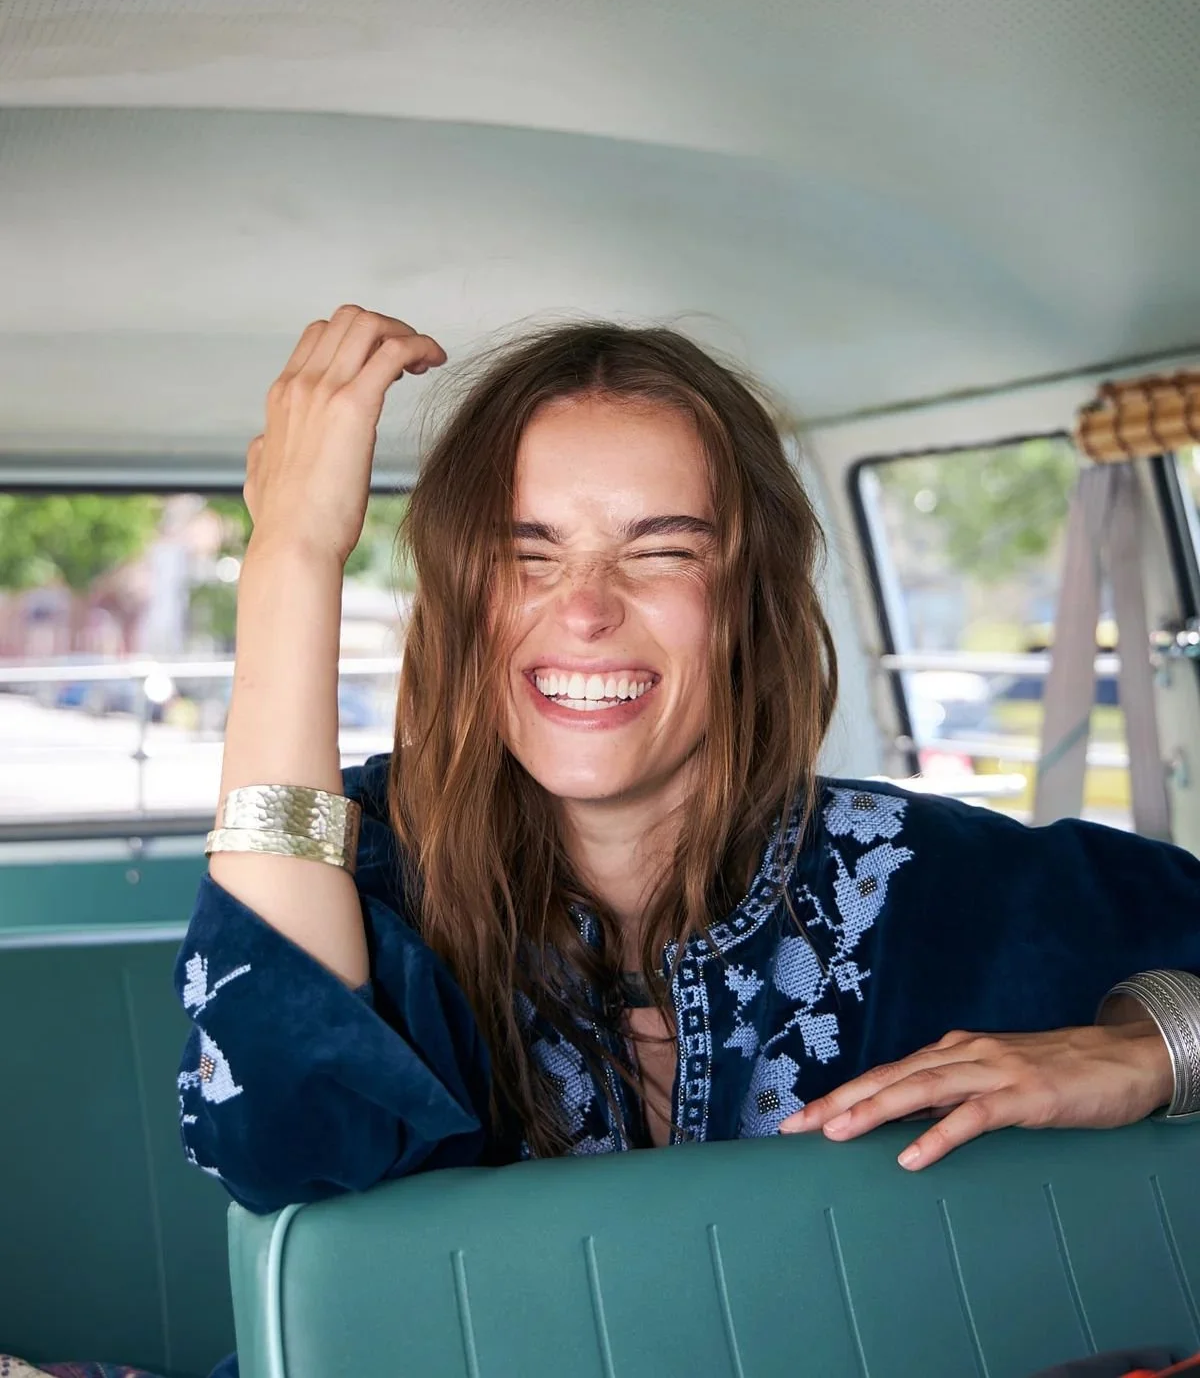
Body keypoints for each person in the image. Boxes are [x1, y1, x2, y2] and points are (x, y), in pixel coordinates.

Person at [178, 305, 1200, 1246]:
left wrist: (1154, 1050)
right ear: (456, 599)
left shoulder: (927, 876)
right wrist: (293, 555)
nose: (586, 611)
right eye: (526, 555)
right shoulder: (365, 867)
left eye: (662, 552)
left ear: (751, 600)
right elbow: (279, 1145)